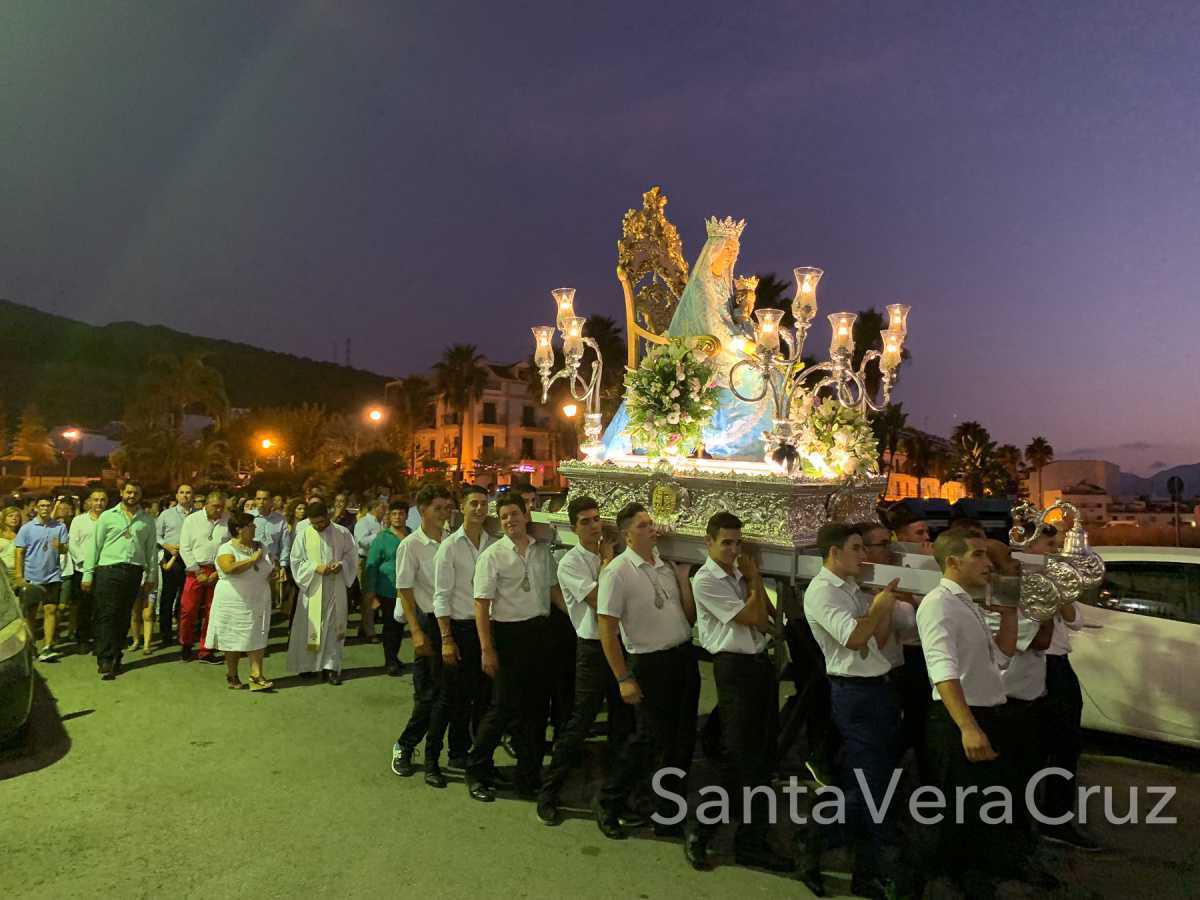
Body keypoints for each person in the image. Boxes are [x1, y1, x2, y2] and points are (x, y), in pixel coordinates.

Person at [916, 530, 1046, 896]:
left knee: (980, 808)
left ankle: (970, 874)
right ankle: (948, 880)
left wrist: (1008, 611)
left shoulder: (967, 603)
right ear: (953, 562)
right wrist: (968, 728)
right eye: (978, 555)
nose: (988, 564)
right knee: (961, 810)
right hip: (960, 718)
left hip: (985, 714)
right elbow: (942, 671)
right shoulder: (938, 604)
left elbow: (1002, 656)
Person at [803, 524, 910, 898]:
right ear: (834, 553)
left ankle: (859, 866)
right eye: (856, 547)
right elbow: (853, 638)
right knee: (869, 786)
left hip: (877, 689)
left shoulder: (851, 588)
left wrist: (883, 607)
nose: (863, 555)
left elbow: (876, 640)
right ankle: (817, 842)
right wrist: (880, 606)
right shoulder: (822, 592)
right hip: (855, 694)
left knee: (872, 783)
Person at [595, 503, 703, 870]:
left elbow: (686, 617)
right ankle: (610, 802)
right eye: (644, 526)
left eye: (652, 524)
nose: (652, 529)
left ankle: (668, 812)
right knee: (647, 739)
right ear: (627, 534)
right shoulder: (617, 572)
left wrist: (684, 580)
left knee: (681, 738)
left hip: (682, 657)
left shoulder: (664, 567)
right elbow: (606, 630)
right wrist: (624, 677)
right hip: (648, 663)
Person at [692, 511, 792, 872]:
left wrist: (755, 580)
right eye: (727, 543)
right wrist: (753, 582)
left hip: (759, 665)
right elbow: (750, 618)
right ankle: (703, 831)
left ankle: (752, 839)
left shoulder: (739, 573)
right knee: (738, 755)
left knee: (764, 755)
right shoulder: (705, 579)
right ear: (709, 542)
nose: (734, 550)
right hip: (733, 669)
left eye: (738, 543)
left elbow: (768, 617)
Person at [537, 496, 634, 827]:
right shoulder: (571, 563)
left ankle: (615, 797)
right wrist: (607, 561)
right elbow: (601, 602)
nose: (594, 527)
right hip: (593, 648)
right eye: (586, 522)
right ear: (573, 528)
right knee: (580, 722)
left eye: (597, 520)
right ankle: (549, 792)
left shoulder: (618, 557)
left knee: (624, 724)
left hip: (621, 646)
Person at [463, 493, 561, 802]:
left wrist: (583, 620)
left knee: (536, 710)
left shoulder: (542, 551)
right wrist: (486, 648)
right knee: (502, 709)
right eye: (504, 516)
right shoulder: (492, 555)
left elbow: (553, 592)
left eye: (514, 514)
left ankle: (528, 777)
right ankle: (476, 769)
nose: (510, 520)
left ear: (527, 514)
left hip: (539, 634)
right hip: (507, 636)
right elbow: (481, 605)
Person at [391, 485, 455, 787]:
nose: (444, 513)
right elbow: (404, 590)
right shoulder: (411, 545)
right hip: (427, 621)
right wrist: (415, 631)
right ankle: (405, 745)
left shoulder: (453, 541)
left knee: (449, 695)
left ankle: (448, 752)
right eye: (438, 508)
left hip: (454, 621)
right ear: (423, 511)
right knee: (429, 694)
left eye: (447, 507)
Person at [432, 485, 493, 770]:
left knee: (483, 695)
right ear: (463, 508)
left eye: (483, 504)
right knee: (458, 696)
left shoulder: (492, 544)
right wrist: (446, 637)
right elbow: (441, 595)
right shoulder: (450, 546)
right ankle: (455, 751)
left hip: (487, 626)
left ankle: (476, 751)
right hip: (460, 627)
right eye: (474, 504)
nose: (479, 509)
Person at [82, 481, 159, 679]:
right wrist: (88, 574)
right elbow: (94, 546)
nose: (132, 495)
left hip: (133, 571)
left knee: (124, 616)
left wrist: (151, 575)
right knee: (107, 614)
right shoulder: (108, 516)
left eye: (136, 492)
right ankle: (105, 658)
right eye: (129, 492)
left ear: (141, 495)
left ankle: (116, 655)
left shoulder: (147, 520)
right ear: (122, 493)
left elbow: (151, 551)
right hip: (108, 569)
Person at [286, 500, 357, 683]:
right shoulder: (304, 534)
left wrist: (341, 564)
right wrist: (315, 568)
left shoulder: (342, 533)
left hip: (336, 588)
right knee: (310, 627)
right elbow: (296, 561)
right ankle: (307, 666)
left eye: (321, 522)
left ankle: (331, 667)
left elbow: (351, 556)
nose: (318, 526)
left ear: (328, 516)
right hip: (313, 588)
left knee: (334, 627)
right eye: (314, 523)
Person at [207, 511, 274, 691]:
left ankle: (256, 675)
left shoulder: (261, 546)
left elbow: (268, 566)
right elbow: (228, 568)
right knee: (233, 638)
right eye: (250, 526)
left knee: (257, 634)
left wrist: (275, 572)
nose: (254, 528)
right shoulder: (226, 548)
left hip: (258, 597)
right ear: (238, 529)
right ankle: (232, 673)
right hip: (233, 600)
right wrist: (252, 560)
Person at [13, 496, 71, 662]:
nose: (45, 508)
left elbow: (64, 550)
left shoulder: (59, 527)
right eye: (42, 505)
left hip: (52, 576)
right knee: (30, 614)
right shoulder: (27, 528)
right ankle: (30, 645)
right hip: (32, 577)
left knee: (51, 610)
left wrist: (60, 547)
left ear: (52, 507)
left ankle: (48, 646)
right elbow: (19, 552)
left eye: (48, 505)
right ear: (36, 508)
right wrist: (19, 575)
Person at [179, 491, 230, 663]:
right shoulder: (192, 520)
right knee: (188, 609)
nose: (219, 510)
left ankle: (206, 649)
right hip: (195, 570)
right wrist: (197, 571)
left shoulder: (228, 520)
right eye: (215, 506)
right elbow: (185, 548)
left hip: (217, 571)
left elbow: (230, 548)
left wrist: (218, 571)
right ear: (206, 504)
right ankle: (186, 643)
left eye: (222, 507)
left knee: (212, 611)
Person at [363, 499, 410, 675]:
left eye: (401, 514)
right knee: (391, 625)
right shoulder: (381, 538)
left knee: (401, 626)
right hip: (387, 589)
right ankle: (390, 661)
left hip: (407, 589)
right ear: (389, 517)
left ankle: (395, 656)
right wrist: (371, 592)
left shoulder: (412, 535)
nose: (398, 517)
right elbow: (372, 565)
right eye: (394, 514)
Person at [68, 490, 107, 652]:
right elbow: (73, 543)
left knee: (102, 607)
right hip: (83, 570)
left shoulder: (110, 519)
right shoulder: (79, 521)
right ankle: (83, 638)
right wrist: (86, 562)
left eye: (102, 500)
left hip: (104, 568)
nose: (99, 503)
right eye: (95, 500)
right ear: (89, 501)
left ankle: (99, 639)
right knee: (84, 606)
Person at [155, 484, 193, 648]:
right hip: (172, 557)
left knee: (186, 598)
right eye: (182, 493)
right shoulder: (166, 514)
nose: (185, 496)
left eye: (188, 493)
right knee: (168, 596)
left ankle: (183, 632)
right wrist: (167, 546)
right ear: (177, 496)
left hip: (190, 559)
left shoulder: (198, 515)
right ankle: (165, 634)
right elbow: (156, 535)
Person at [354, 497, 387, 639]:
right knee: (368, 597)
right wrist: (378, 536)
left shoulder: (381, 523)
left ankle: (364, 626)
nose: (385, 511)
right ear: (377, 508)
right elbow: (361, 541)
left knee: (377, 596)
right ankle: (369, 631)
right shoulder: (364, 522)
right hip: (367, 561)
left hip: (380, 562)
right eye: (384, 508)